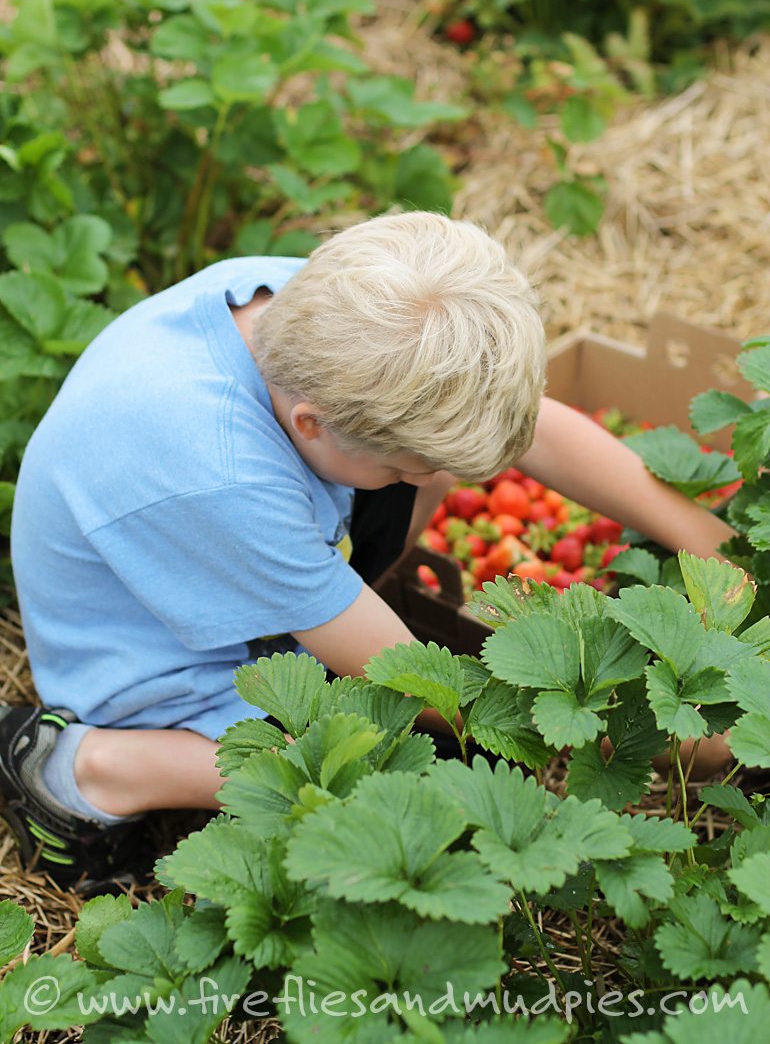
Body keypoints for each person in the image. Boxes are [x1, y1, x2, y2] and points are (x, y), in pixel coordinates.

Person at [0, 211, 733, 893]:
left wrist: (718, 546)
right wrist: (638, 725)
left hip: (230, 547)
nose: (424, 483)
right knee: (376, 781)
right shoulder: (222, 474)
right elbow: (417, 681)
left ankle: (332, 573)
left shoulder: (342, 314)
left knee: (432, 459)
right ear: (311, 425)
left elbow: (533, 429)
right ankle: (87, 770)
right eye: (402, 471)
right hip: (158, 658)